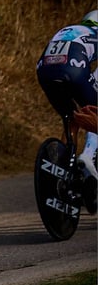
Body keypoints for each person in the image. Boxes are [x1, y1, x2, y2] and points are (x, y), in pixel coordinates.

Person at [36, 10, 98, 178]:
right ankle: (89, 157)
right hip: (74, 70)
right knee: (94, 113)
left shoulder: (69, 30)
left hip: (44, 72)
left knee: (71, 118)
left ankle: (63, 169)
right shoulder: (95, 33)